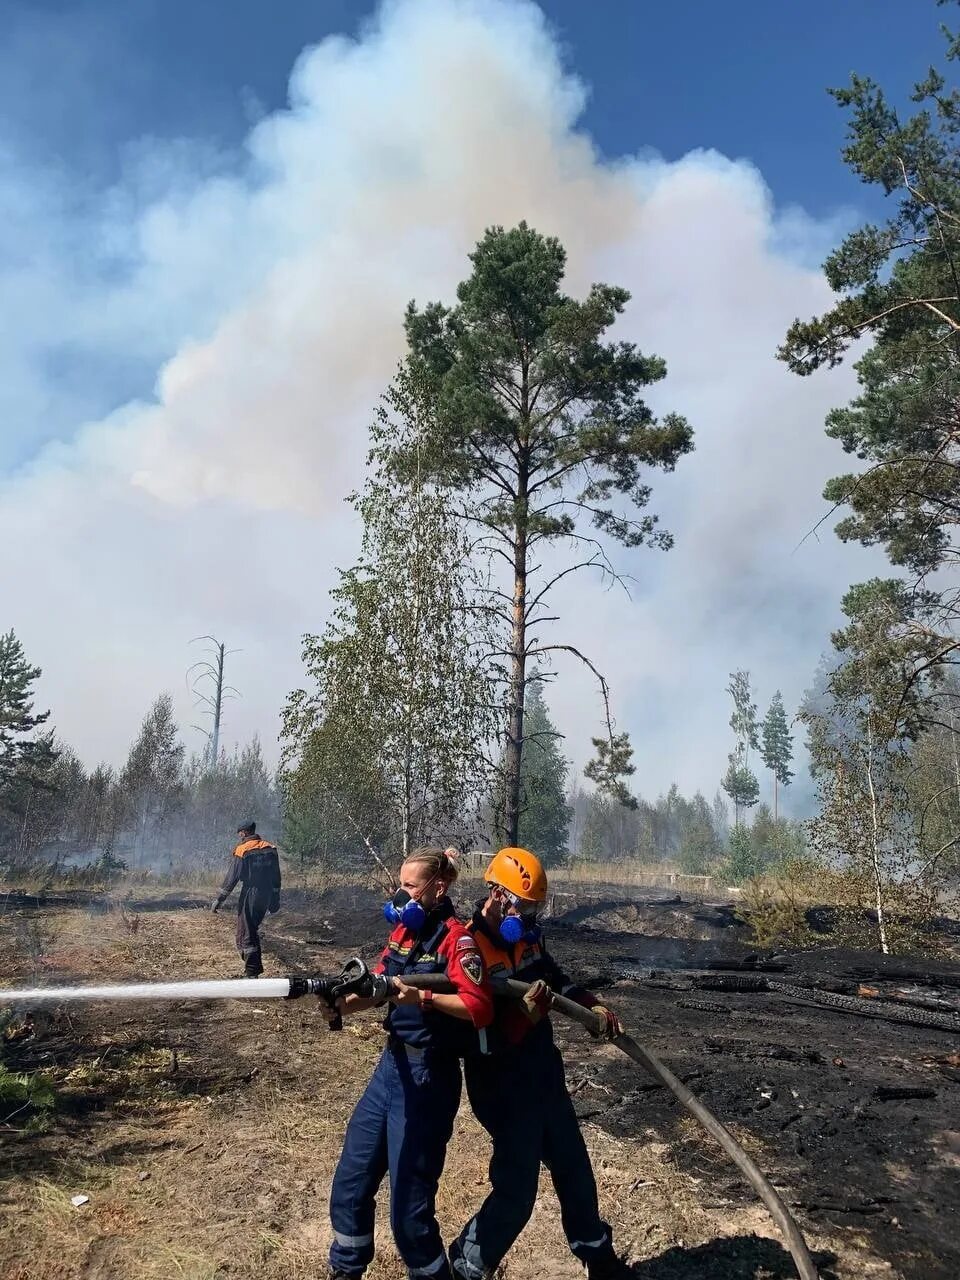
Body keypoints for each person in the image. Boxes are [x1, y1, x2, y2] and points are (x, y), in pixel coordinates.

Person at [449, 846, 628, 1280]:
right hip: (502, 1085)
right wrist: (524, 1018)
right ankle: (466, 1264)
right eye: (523, 905)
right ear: (496, 892)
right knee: (517, 1190)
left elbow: (557, 978)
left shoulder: (527, 937)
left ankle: (598, 1259)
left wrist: (593, 1006)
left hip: (543, 1073)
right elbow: (477, 1037)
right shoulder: (470, 947)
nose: (528, 915)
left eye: (534, 908)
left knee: (575, 1170)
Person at [325, 846, 493, 1280]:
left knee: (409, 1217)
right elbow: (380, 985)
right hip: (391, 1067)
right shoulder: (402, 933)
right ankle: (345, 1270)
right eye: (398, 885)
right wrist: (340, 1005)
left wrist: (426, 999)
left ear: (438, 888)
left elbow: (479, 1008)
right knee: (350, 1186)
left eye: (409, 887)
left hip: (428, 1077)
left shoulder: (459, 939)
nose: (400, 896)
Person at [211, 821, 281, 978]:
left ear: (244, 832)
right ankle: (252, 968)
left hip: (251, 893)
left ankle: (252, 972)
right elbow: (276, 876)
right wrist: (275, 898)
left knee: (246, 932)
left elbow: (232, 878)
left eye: (240, 833)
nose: (239, 836)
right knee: (250, 929)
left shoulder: (242, 850)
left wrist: (219, 900)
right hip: (267, 892)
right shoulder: (270, 848)